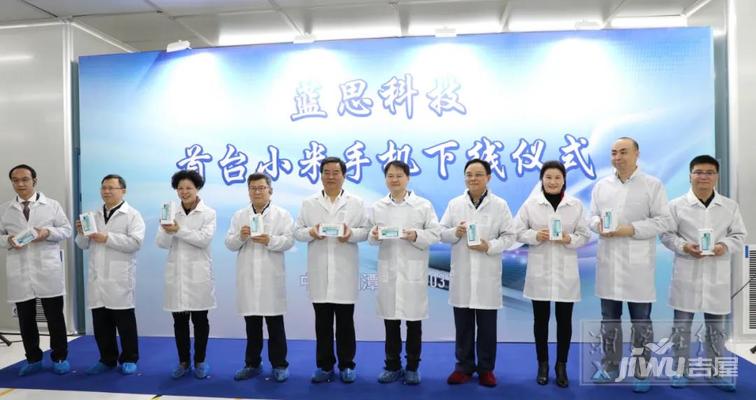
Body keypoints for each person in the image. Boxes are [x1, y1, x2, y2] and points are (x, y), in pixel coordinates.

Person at [589, 137, 674, 393]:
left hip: (638, 265)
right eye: (614, 152)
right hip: (609, 263)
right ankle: (610, 366)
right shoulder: (602, 186)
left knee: (641, 321)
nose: (618, 157)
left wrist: (629, 229)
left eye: (623, 152)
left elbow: (663, 222)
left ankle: (641, 371)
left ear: (636, 154)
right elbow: (591, 217)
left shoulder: (652, 185)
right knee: (609, 320)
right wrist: (597, 225)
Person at [660, 155, 746, 392]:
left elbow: (739, 235)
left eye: (709, 172)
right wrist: (684, 246)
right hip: (687, 273)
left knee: (716, 329)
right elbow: (666, 235)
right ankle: (680, 370)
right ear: (690, 176)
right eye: (698, 172)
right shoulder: (676, 205)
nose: (703, 177)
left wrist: (723, 246)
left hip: (717, 275)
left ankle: (716, 372)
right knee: (681, 328)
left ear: (716, 176)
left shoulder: (729, 206)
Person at [513, 161, 590, 388]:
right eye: (548, 177)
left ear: (564, 180)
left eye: (557, 177)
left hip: (566, 271)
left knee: (564, 321)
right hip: (540, 270)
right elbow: (517, 232)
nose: (553, 182)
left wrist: (569, 239)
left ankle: (561, 365)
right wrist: (536, 236)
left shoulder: (575, 205)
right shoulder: (531, 205)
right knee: (541, 321)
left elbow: (585, 235)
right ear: (542, 180)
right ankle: (543, 364)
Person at [439, 158, 515, 388]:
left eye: (478, 174)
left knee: (487, 328)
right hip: (462, 274)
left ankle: (486, 369)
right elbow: (441, 233)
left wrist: (488, 246)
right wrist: (456, 232)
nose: (473, 178)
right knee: (463, 327)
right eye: (469, 174)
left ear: (488, 177)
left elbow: (509, 237)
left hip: (486, 275)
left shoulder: (499, 205)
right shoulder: (455, 204)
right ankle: (463, 367)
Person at [294, 157, 368, 384]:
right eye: (326, 172)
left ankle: (347, 365)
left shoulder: (356, 203)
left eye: (336, 172)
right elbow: (297, 232)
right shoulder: (309, 203)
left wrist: (351, 234)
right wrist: (311, 233)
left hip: (345, 271)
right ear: (321, 175)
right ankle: (325, 366)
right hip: (320, 271)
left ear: (344, 175)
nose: (331, 176)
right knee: (322, 324)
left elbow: (365, 231)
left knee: (345, 324)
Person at [368, 160, 440, 385]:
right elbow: (370, 236)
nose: (394, 180)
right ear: (385, 179)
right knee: (391, 323)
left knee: (414, 323)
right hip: (389, 270)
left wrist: (416, 235)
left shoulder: (423, 205)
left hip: (413, 272)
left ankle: (412, 367)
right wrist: (374, 235)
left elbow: (435, 234)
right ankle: (392, 365)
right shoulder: (378, 206)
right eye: (390, 176)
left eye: (399, 175)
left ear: (407, 178)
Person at [1, 164, 73, 376]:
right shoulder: (5, 209)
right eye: (15, 180)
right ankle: (33, 359)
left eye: (25, 179)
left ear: (34, 180)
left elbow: (66, 230)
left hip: (47, 269)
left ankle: (60, 357)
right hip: (20, 270)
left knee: (54, 318)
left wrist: (47, 233)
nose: (20, 184)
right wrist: (8, 240)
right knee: (26, 319)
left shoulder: (51, 205)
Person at [225, 172, 294, 383]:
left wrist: (270, 240)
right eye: (253, 188)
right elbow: (229, 243)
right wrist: (241, 236)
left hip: (271, 277)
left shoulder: (282, 215)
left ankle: (279, 365)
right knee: (252, 326)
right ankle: (252, 364)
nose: (257, 192)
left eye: (261, 188)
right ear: (248, 191)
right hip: (248, 277)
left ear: (270, 190)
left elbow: (289, 241)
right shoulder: (240, 216)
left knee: (275, 325)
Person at [75, 174, 145, 375]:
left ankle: (129, 358)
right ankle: (107, 359)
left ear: (123, 191)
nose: (106, 191)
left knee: (125, 323)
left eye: (111, 188)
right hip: (97, 278)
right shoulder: (92, 215)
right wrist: (81, 233)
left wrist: (106, 238)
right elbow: (82, 245)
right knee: (101, 323)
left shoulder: (132, 215)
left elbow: (135, 243)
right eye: (103, 188)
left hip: (119, 277)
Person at [156, 170, 217, 379]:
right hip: (177, 273)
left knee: (200, 321)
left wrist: (178, 230)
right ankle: (183, 361)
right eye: (180, 188)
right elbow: (161, 243)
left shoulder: (208, 213)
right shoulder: (169, 212)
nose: (184, 192)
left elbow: (203, 239)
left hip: (198, 273)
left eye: (188, 188)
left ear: (197, 188)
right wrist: (166, 229)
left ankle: (200, 360)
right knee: (179, 322)